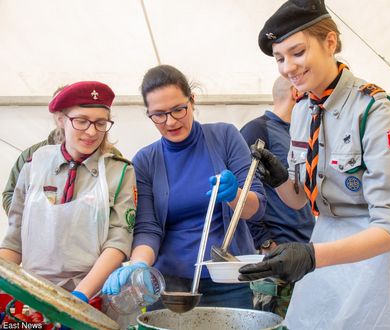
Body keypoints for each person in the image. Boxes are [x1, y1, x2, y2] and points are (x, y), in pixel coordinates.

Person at [238, 0, 390, 329]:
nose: (287, 67)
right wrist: (280, 179)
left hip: (375, 263)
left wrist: (311, 256)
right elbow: (299, 200)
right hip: (325, 257)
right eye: (280, 58)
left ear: (330, 42)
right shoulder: (304, 109)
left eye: (297, 52)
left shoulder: (374, 111)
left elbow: (388, 227)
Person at [102, 64, 267, 309]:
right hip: (170, 288)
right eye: (158, 115)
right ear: (148, 113)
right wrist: (138, 265)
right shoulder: (145, 161)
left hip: (228, 283)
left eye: (178, 109)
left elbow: (257, 208)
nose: (170, 122)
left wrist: (235, 196)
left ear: (192, 101)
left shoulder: (225, 137)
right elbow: (149, 228)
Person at [0, 81, 136, 304]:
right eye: (81, 121)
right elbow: (14, 240)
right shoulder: (33, 165)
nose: (92, 132)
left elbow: (118, 242)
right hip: (34, 294)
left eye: (100, 123)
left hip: (93, 297)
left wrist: (79, 297)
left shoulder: (120, 172)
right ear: (61, 120)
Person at [240, 76, 314, 317]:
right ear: (296, 91)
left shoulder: (306, 132)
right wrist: (266, 243)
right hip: (278, 257)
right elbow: (243, 194)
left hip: (310, 253)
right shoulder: (258, 130)